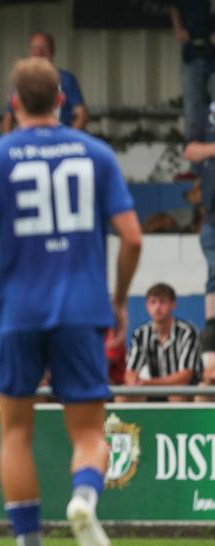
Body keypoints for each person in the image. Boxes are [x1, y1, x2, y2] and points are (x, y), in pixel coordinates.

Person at [0, 57, 143, 546]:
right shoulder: (96, 153)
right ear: (61, 101)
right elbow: (134, 236)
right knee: (88, 433)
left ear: (13, 104)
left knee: (14, 433)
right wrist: (119, 299)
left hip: (16, 313)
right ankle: (82, 498)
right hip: (81, 309)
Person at [116, 283, 201, 403]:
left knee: (177, 393)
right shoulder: (141, 333)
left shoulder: (187, 332)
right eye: (153, 302)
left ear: (173, 304)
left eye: (162, 302)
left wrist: (146, 383)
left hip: (186, 392)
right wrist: (133, 381)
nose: (157, 307)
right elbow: (130, 371)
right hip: (152, 390)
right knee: (124, 394)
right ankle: (128, 423)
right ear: (147, 306)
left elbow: (184, 377)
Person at [182, 101, 215, 405]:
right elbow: (190, 151)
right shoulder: (205, 111)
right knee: (213, 287)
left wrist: (208, 149)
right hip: (212, 218)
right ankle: (210, 363)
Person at [1, 32, 88, 133]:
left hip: (58, 139)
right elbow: (8, 116)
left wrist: (68, 139)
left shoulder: (65, 78)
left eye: (44, 47)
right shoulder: (22, 80)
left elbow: (82, 114)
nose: (38, 52)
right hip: (28, 139)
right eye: (34, 48)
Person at [170, 1, 215, 139]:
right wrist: (178, 28)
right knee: (192, 113)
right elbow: (175, 6)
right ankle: (195, 157)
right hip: (193, 54)